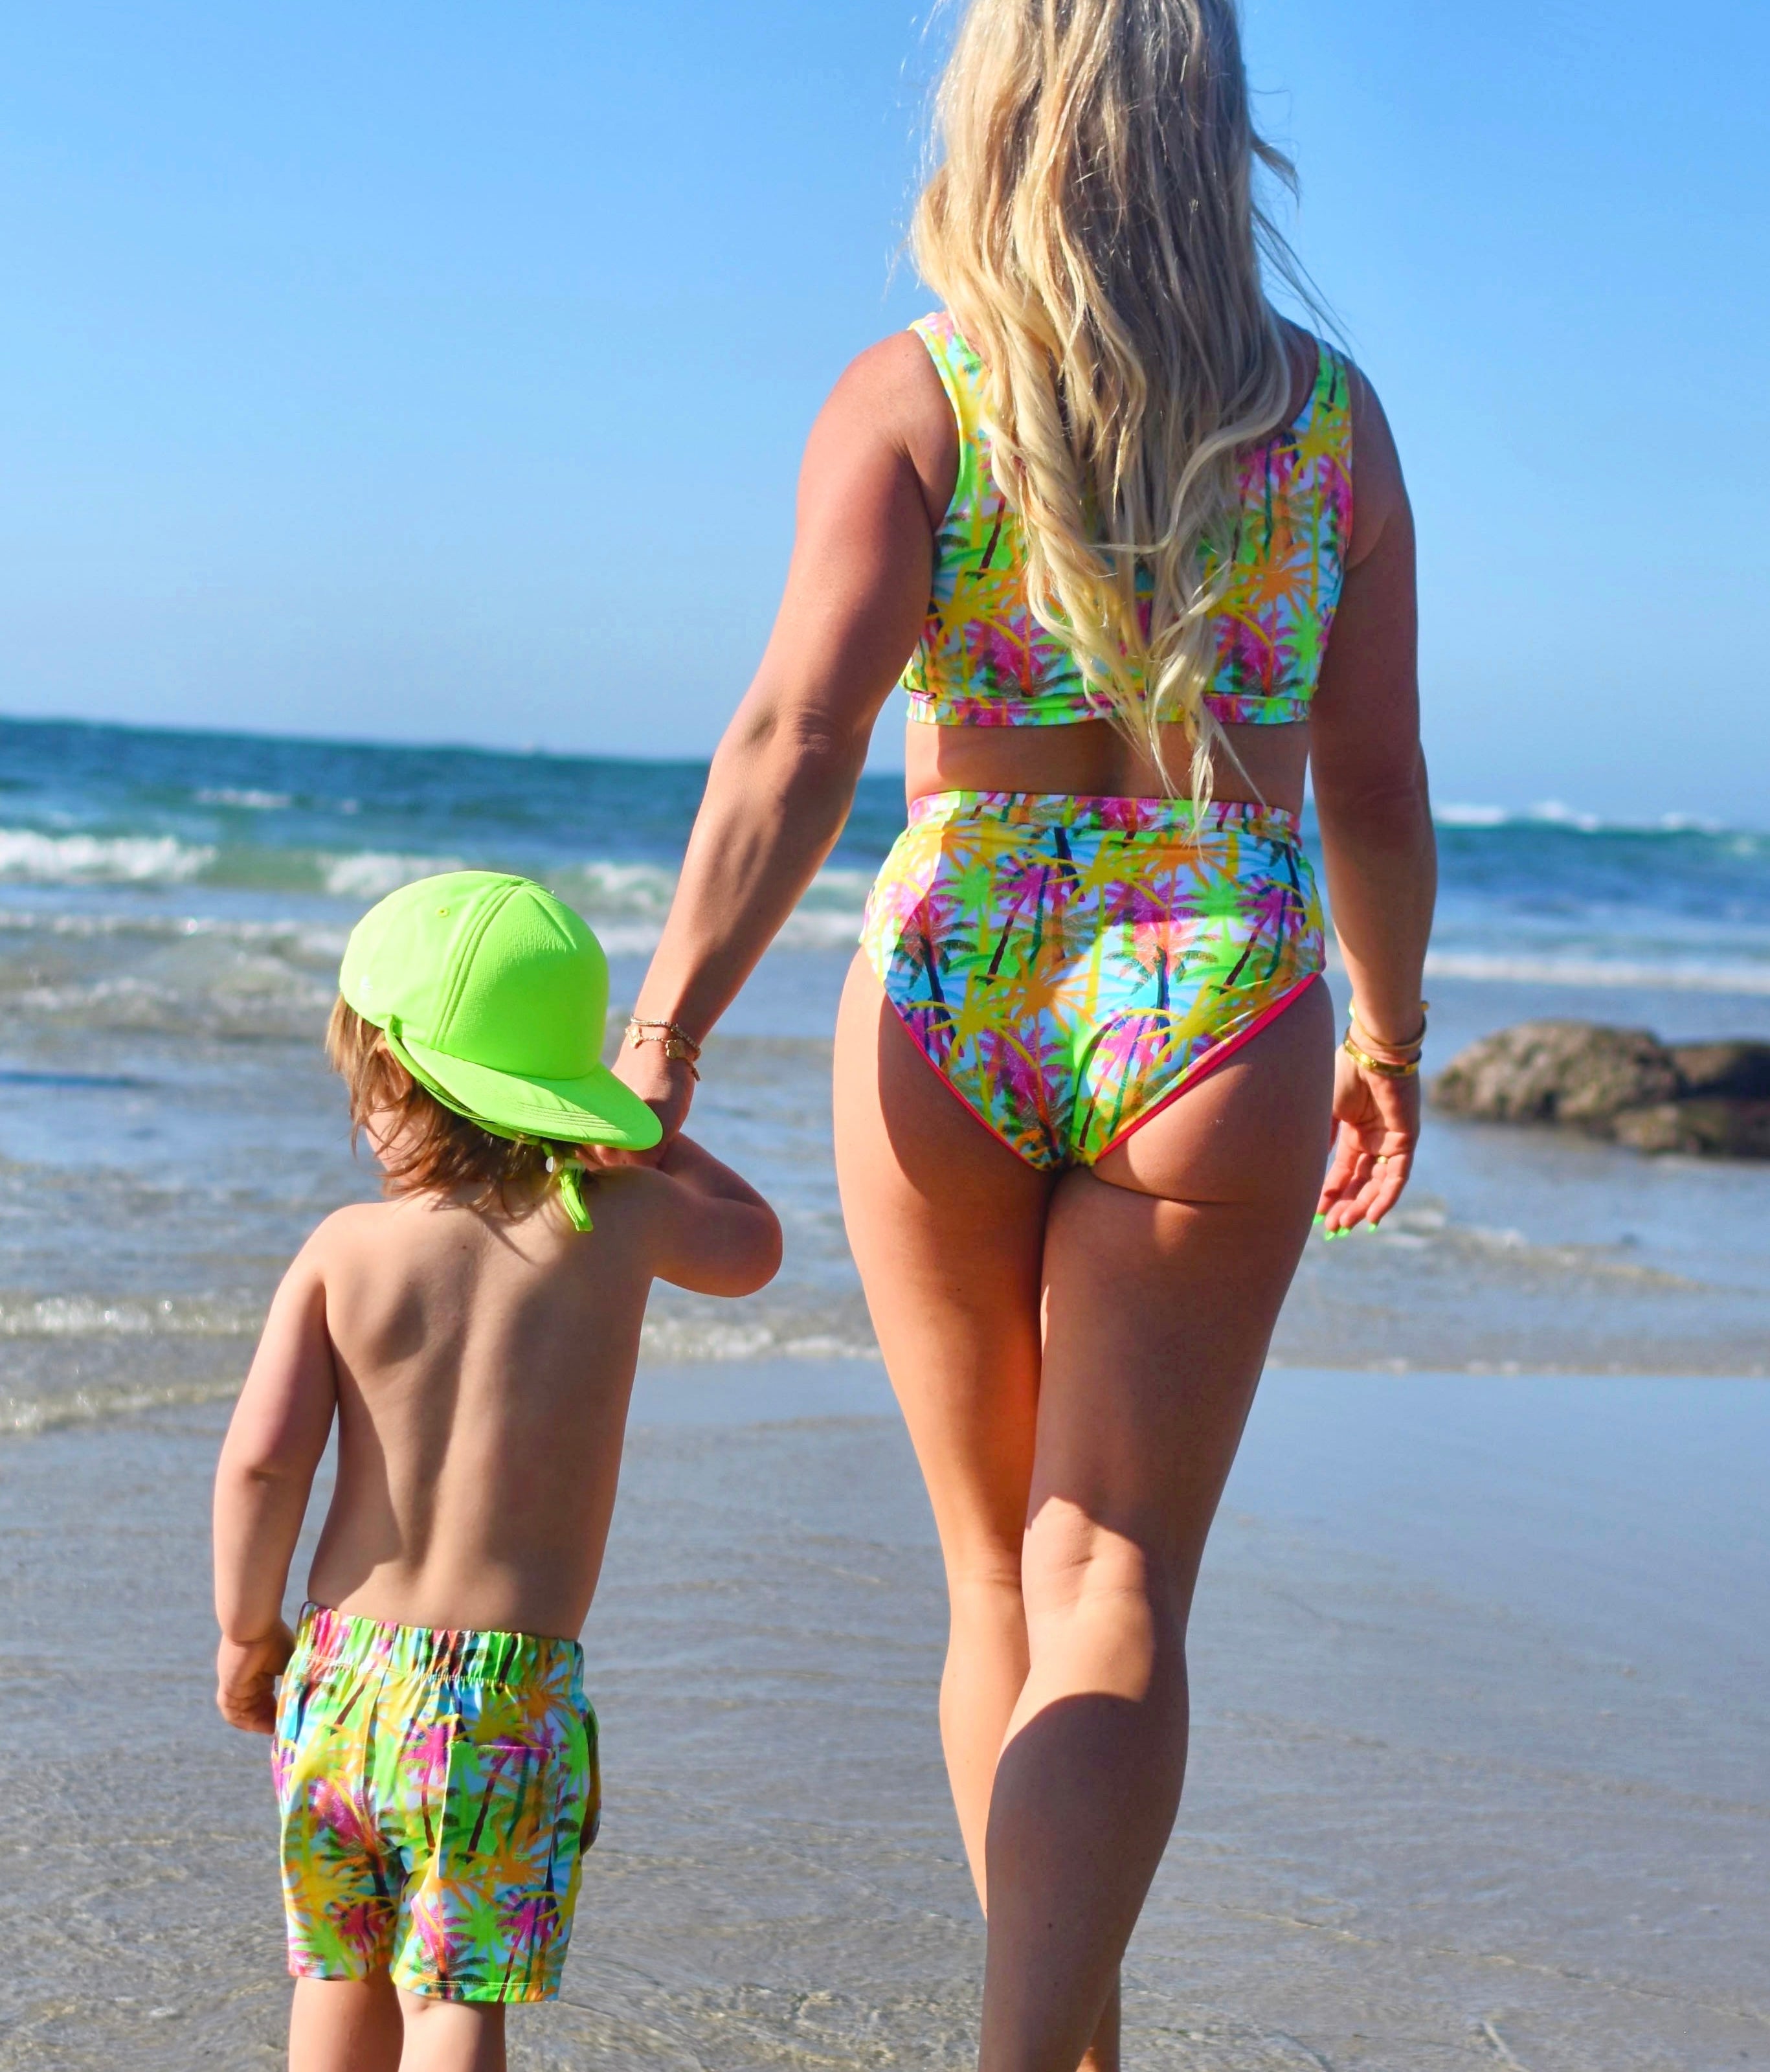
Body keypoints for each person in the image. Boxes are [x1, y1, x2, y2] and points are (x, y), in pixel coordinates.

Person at [609, 1, 1434, 2062]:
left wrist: (667, 1029)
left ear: (1002, 110)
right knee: (1114, 1579)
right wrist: (1391, 1034)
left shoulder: (918, 394)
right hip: (1219, 980)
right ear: (1211, 123)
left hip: (954, 975)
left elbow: (798, 738)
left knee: (999, 1580)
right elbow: (1376, 780)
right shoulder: (1331, 425)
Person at [212, 870, 782, 2072]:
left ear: (394, 1076)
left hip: (340, 1679)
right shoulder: (616, 1219)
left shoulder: (345, 1249)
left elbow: (262, 1463)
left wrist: (247, 1631)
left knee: (339, 1970)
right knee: (455, 1997)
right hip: (506, 1702)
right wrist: (650, 1135)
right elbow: (756, 1248)